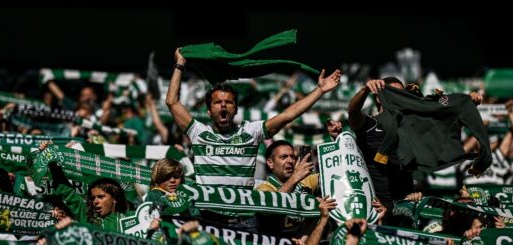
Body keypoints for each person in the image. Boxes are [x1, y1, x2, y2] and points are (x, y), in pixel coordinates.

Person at [166, 48, 341, 189]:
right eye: (217, 102)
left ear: (236, 109)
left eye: (229, 102)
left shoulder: (251, 131)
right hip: (209, 219)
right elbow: (172, 102)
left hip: (244, 223)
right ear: (209, 111)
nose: (223, 106)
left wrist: (320, 91)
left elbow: (288, 115)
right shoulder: (198, 132)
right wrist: (180, 65)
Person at [347, 77, 413, 211]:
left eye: (402, 94)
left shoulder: (411, 127)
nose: (399, 98)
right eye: (393, 93)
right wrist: (365, 90)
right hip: (373, 208)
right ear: (378, 98)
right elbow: (353, 112)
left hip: (402, 209)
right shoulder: (370, 124)